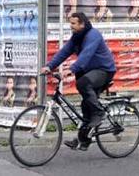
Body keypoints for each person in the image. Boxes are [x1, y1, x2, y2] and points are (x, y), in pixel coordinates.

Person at [41, 12, 117, 151]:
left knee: (82, 83)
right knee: (85, 105)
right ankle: (84, 139)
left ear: (82, 24)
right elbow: (64, 52)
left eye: (73, 23)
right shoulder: (77, 37)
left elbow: (86, 55)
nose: (71, 26)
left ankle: (99, 113)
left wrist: (72, 69)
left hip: (104, 70)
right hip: (90, 71)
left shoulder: (93, 35)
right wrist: (49, 66)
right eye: (70, 23)